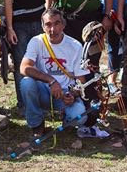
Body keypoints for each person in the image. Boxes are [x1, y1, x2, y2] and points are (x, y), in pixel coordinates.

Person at [18, 8, 92, 138]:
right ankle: (37, 124)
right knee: (26, 83)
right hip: (44, 91)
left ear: (63, 25)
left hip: (65, 94)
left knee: (80, 117)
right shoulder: (36, 42)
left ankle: (66, 117)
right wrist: (51, 81)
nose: (53, 29)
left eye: (57, 23)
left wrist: (73, 94)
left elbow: (82, 81)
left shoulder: (75, 46)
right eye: (48, 24)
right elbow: (24, 67)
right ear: (42, 26)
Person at [4, 0, 56, 112]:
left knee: (42, 61)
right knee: (21, 63)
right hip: (19, 23)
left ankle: (44, 100)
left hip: (40, 21)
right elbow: (8, 0)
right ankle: (24, 104)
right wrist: (9, 27)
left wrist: (47, 9)